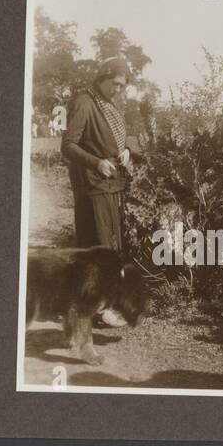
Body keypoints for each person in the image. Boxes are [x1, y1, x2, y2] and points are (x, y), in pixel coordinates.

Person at [60, 58, 134, 323]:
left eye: (122, 86)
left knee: (108, 247)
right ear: (102, 77)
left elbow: (116, 142)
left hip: (111, 184)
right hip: (93, 184)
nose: (118, 89)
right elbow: (68, 146)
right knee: (99, 248)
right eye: (115, 84)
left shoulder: (109, 104)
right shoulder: (84, 102)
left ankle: (95, 307)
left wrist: (125, 151)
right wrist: (97, 162)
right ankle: (96, 308)